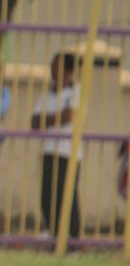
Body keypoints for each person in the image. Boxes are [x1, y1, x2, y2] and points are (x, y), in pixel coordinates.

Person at [30, 52, 81, 239]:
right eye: (52, 67)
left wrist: (48, 118)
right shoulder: (46, 96)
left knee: (67, 196)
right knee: (47, 196)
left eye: (57, 68)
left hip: (69, 153)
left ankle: (73, 239)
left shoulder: (76, 92)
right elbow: (35, 122)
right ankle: (54, 235)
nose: (53, 72)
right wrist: (57, 117)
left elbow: (69, 116)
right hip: (49, 150)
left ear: (68, 71)